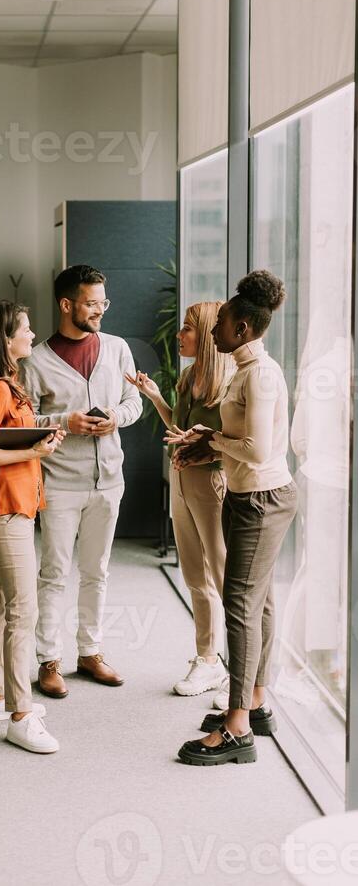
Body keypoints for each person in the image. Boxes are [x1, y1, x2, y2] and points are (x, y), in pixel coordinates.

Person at [168, 270, 298, 767]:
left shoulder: (259, 375)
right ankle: (257, 701)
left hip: (262, 500)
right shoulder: (245, 371)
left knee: (240, 604)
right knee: (257, 600)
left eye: (220, 321)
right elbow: (243, 439)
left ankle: (238, 725)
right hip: (252, 497)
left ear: (243, 328)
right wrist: (210, 437)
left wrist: (212, 441)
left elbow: (259, 448)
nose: (213, 329)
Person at [19, 265, 142, 698]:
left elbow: (133, 402)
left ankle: (90, 652)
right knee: (54, 573)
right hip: (59, 484)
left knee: (98, 571)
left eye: (103, 302)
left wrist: (116, 421)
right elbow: (24, 421)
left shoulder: (117, 348)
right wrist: (64, 422)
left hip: (109, 480)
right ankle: (48, 660)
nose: (100, 311)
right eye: (92, 303)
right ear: (67, 304)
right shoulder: (35, 360)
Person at [0, 300, 65, 754]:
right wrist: (33, 453)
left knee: (6, 603)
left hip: (16, 504)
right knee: (24, 608)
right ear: (5, 339)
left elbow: (5, 438)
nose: (32, 332)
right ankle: (21, 715)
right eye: (24, 328)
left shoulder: (7, 385)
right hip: (6, 510)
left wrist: (37, 439)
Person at [127, 302, 234, 700]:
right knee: (195, 577)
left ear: (207, 334)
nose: (179, 334)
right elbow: (180, 430)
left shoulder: (233, 384)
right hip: (182, 482)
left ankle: (238, 674)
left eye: (187, 328)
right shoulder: (189, 376)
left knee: (224, 578)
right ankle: (207, 660)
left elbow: (241, 444)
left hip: (213, 487)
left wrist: (211, 453)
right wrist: (155, 396)